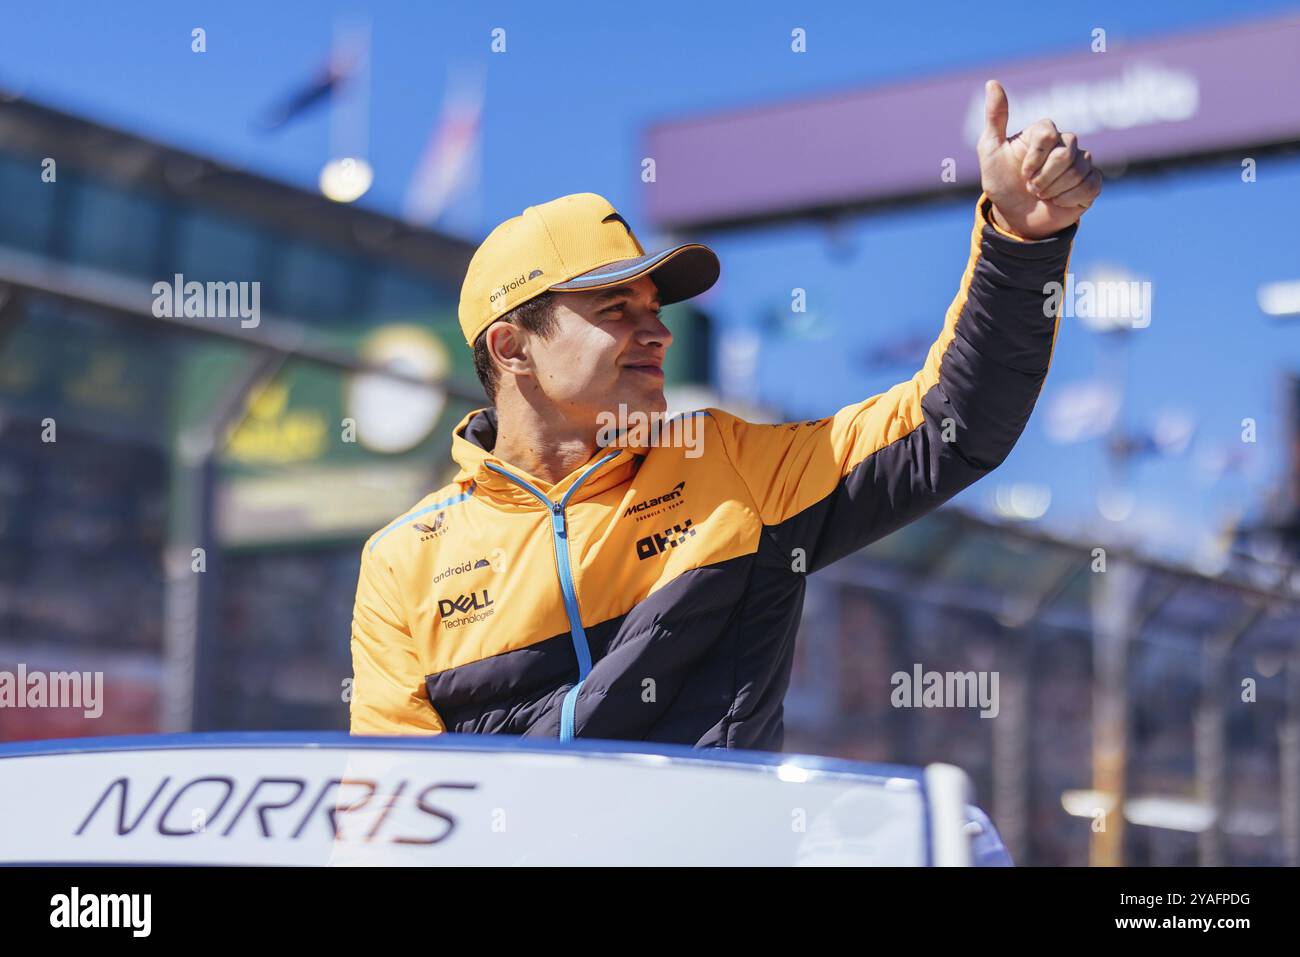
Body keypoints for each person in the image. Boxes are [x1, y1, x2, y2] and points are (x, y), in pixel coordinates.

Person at [349, 80, 1101, 749]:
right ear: (513, 348)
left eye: (655, 307)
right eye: (616, 308)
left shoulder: (730, 465)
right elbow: (387, 813)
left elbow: (951, 426)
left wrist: (1022, 242)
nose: (659, 332)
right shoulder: (402, 561)